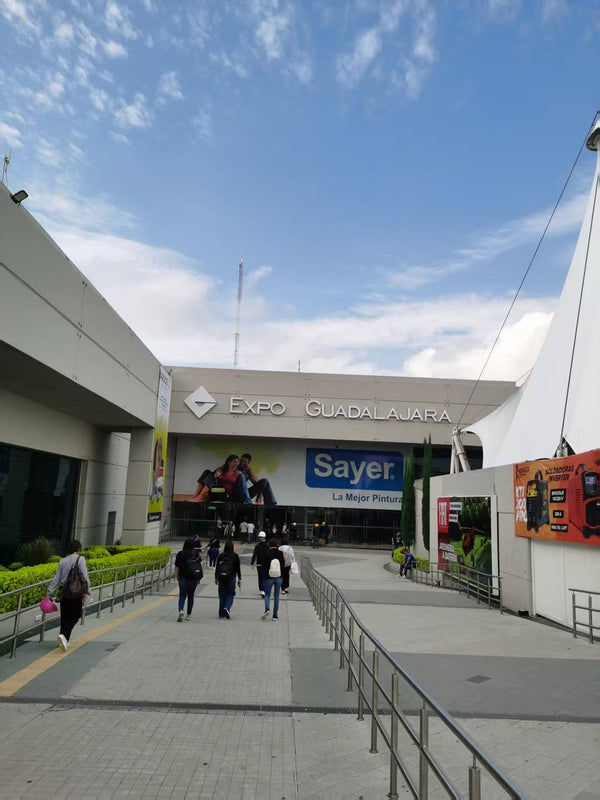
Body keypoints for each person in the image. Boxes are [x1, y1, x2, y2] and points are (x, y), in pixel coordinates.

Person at [46, 539, 91, 651]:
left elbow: (56, 579)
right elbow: (85, 577)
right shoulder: (81, 559)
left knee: (65, 617)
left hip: (65, 593)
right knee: (76, 616)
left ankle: (63, 640)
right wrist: (87, 590)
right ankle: (64, 637)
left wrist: (49, 593)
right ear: (78, 548)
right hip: (76, 593)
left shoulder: (63, 561)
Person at [175, 539, 202, 621]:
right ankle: (189, 615)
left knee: (182, 595)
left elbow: (177, 567)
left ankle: (181, 610)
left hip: (182, 577)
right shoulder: (196, 553)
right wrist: (199, 576)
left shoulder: (180, 554)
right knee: (191, 596)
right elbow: (200, 565)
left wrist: (177, 576)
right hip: (193, 577)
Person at [215, 540, 241, 619]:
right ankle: (227, 607)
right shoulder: (235, 556)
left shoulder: (221, 555)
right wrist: (239, 578)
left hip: (221, 577)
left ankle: (221, 613)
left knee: (222, 594)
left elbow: (217, 567)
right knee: (231, 593)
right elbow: (238, 569)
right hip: (231, 577)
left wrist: (216, 577)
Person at [261, 538, 285, 620]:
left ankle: (267, 609)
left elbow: (264, 565)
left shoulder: (267, 553)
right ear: (277, 545)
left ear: (269, 545)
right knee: (276, 596)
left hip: (269, 577)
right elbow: (283, 564)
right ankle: (275, 615)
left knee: (267, 594)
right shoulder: (281, 553)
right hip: (279, 576)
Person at [251, 531, 270, 596]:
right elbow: (269, 555)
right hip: (266, 564)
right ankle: (264, 589)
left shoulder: (257, 546)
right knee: (265, 577)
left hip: (259, 564)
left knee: (260, 577)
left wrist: (252, 563)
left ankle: (261, 589)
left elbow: (254, 555)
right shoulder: (267, 545)